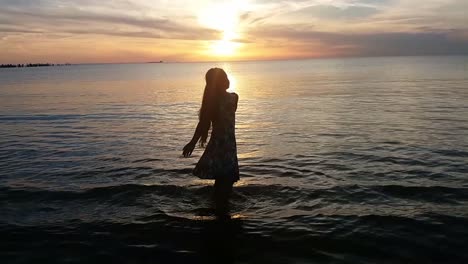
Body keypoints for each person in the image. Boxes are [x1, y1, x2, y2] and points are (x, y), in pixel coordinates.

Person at [182, 68, 239, 214]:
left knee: (224, 179)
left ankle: (219, 207)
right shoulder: (221, 101)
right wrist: (193, 143)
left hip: (227, 144)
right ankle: (221, 211)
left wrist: (193, 142)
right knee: (225, 178)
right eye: (224, 78)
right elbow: (203, 124)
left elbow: (205, 123)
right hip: (222, 144)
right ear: (217, 83)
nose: (227, 80)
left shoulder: (233, 98)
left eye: (227, 76)